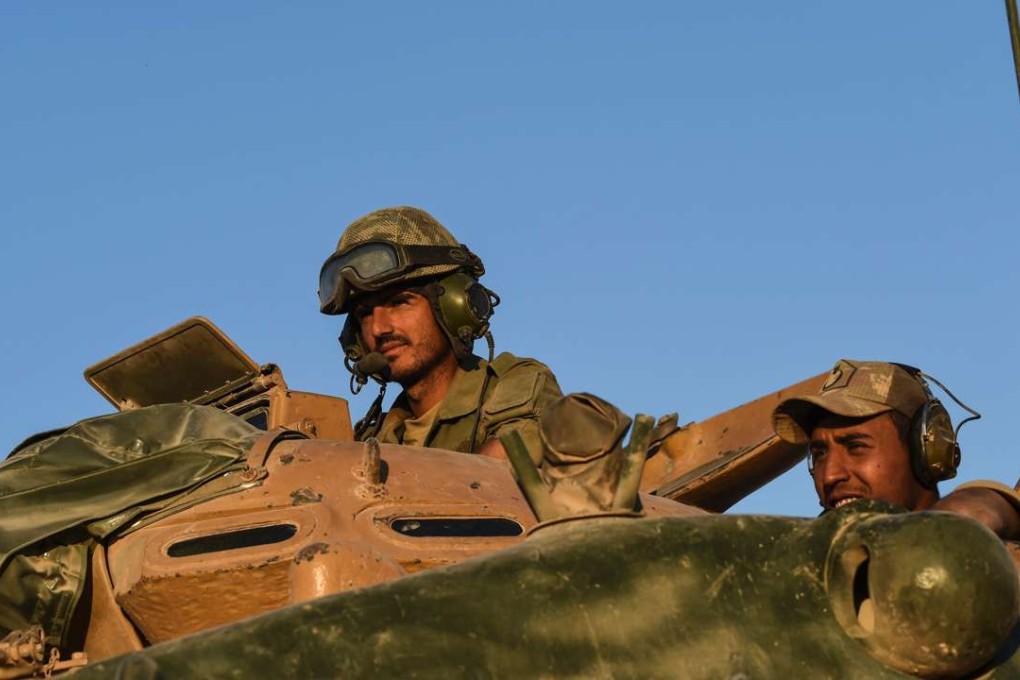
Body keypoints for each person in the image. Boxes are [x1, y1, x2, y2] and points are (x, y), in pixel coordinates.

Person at [318, 206, 561, 459]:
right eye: (365, 314)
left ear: (453, 306)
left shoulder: (515, 389)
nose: (379, 328)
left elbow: (505, 466)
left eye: (399, 302)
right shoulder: (371, 440)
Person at [771, 359, 1020, 540]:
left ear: (926, 449)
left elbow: (973, 512)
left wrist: (999, 504)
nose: (829, 475)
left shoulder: (987, 552)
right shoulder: (799, 568)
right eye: (820, 454)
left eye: (856, 446)